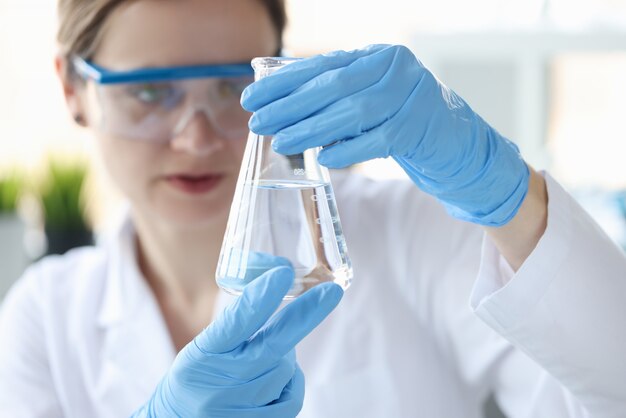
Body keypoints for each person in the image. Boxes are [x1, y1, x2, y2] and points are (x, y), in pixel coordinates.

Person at [0, 0, 624, 416]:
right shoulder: (45, 320)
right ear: (73, 90)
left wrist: (508, 196)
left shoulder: (412, 234)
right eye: (149, 92)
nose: (195, 137)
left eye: (229, 87)